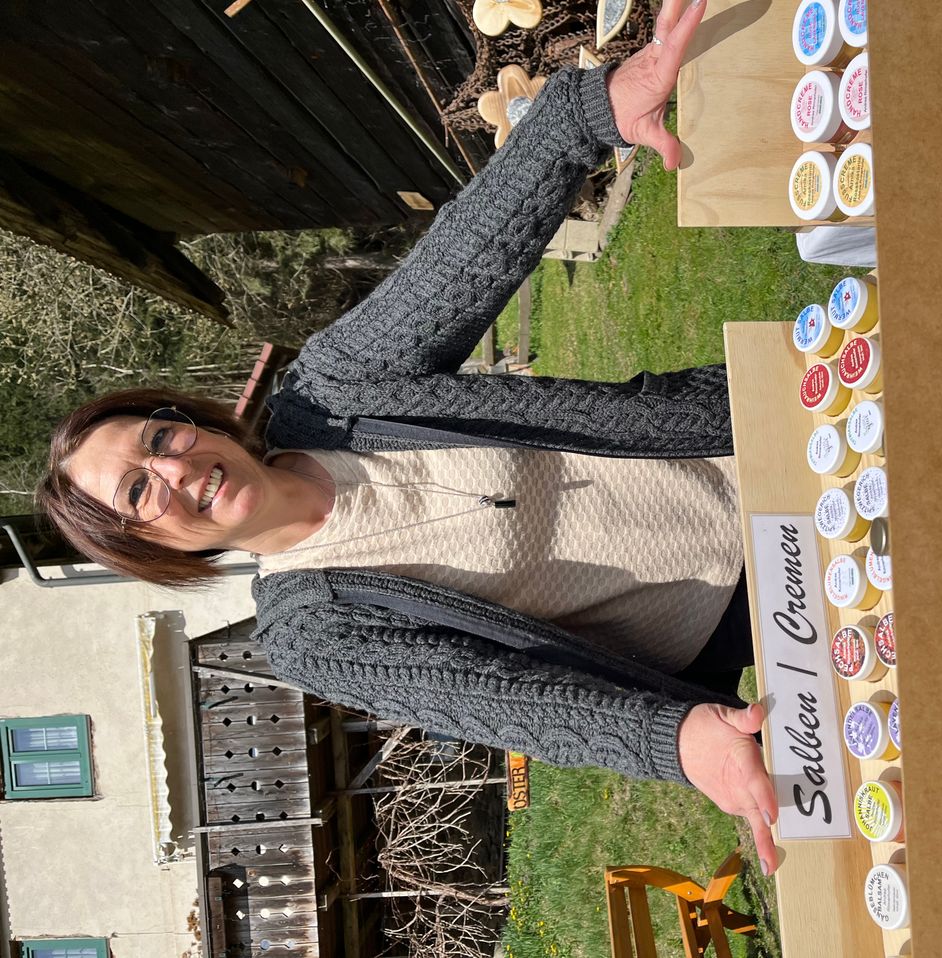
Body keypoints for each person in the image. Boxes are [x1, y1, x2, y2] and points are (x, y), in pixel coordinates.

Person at [35, 0, 781, 875]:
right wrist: (679, 740)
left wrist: (588, 115)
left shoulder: (331, 392)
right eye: (136, 495)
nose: (172, 472)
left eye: (158, 439)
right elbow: (497, 699)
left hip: (748, 444)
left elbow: (462, 259)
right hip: (750, 620)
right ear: (151, 547)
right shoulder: (311, 632)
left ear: (190, 422)